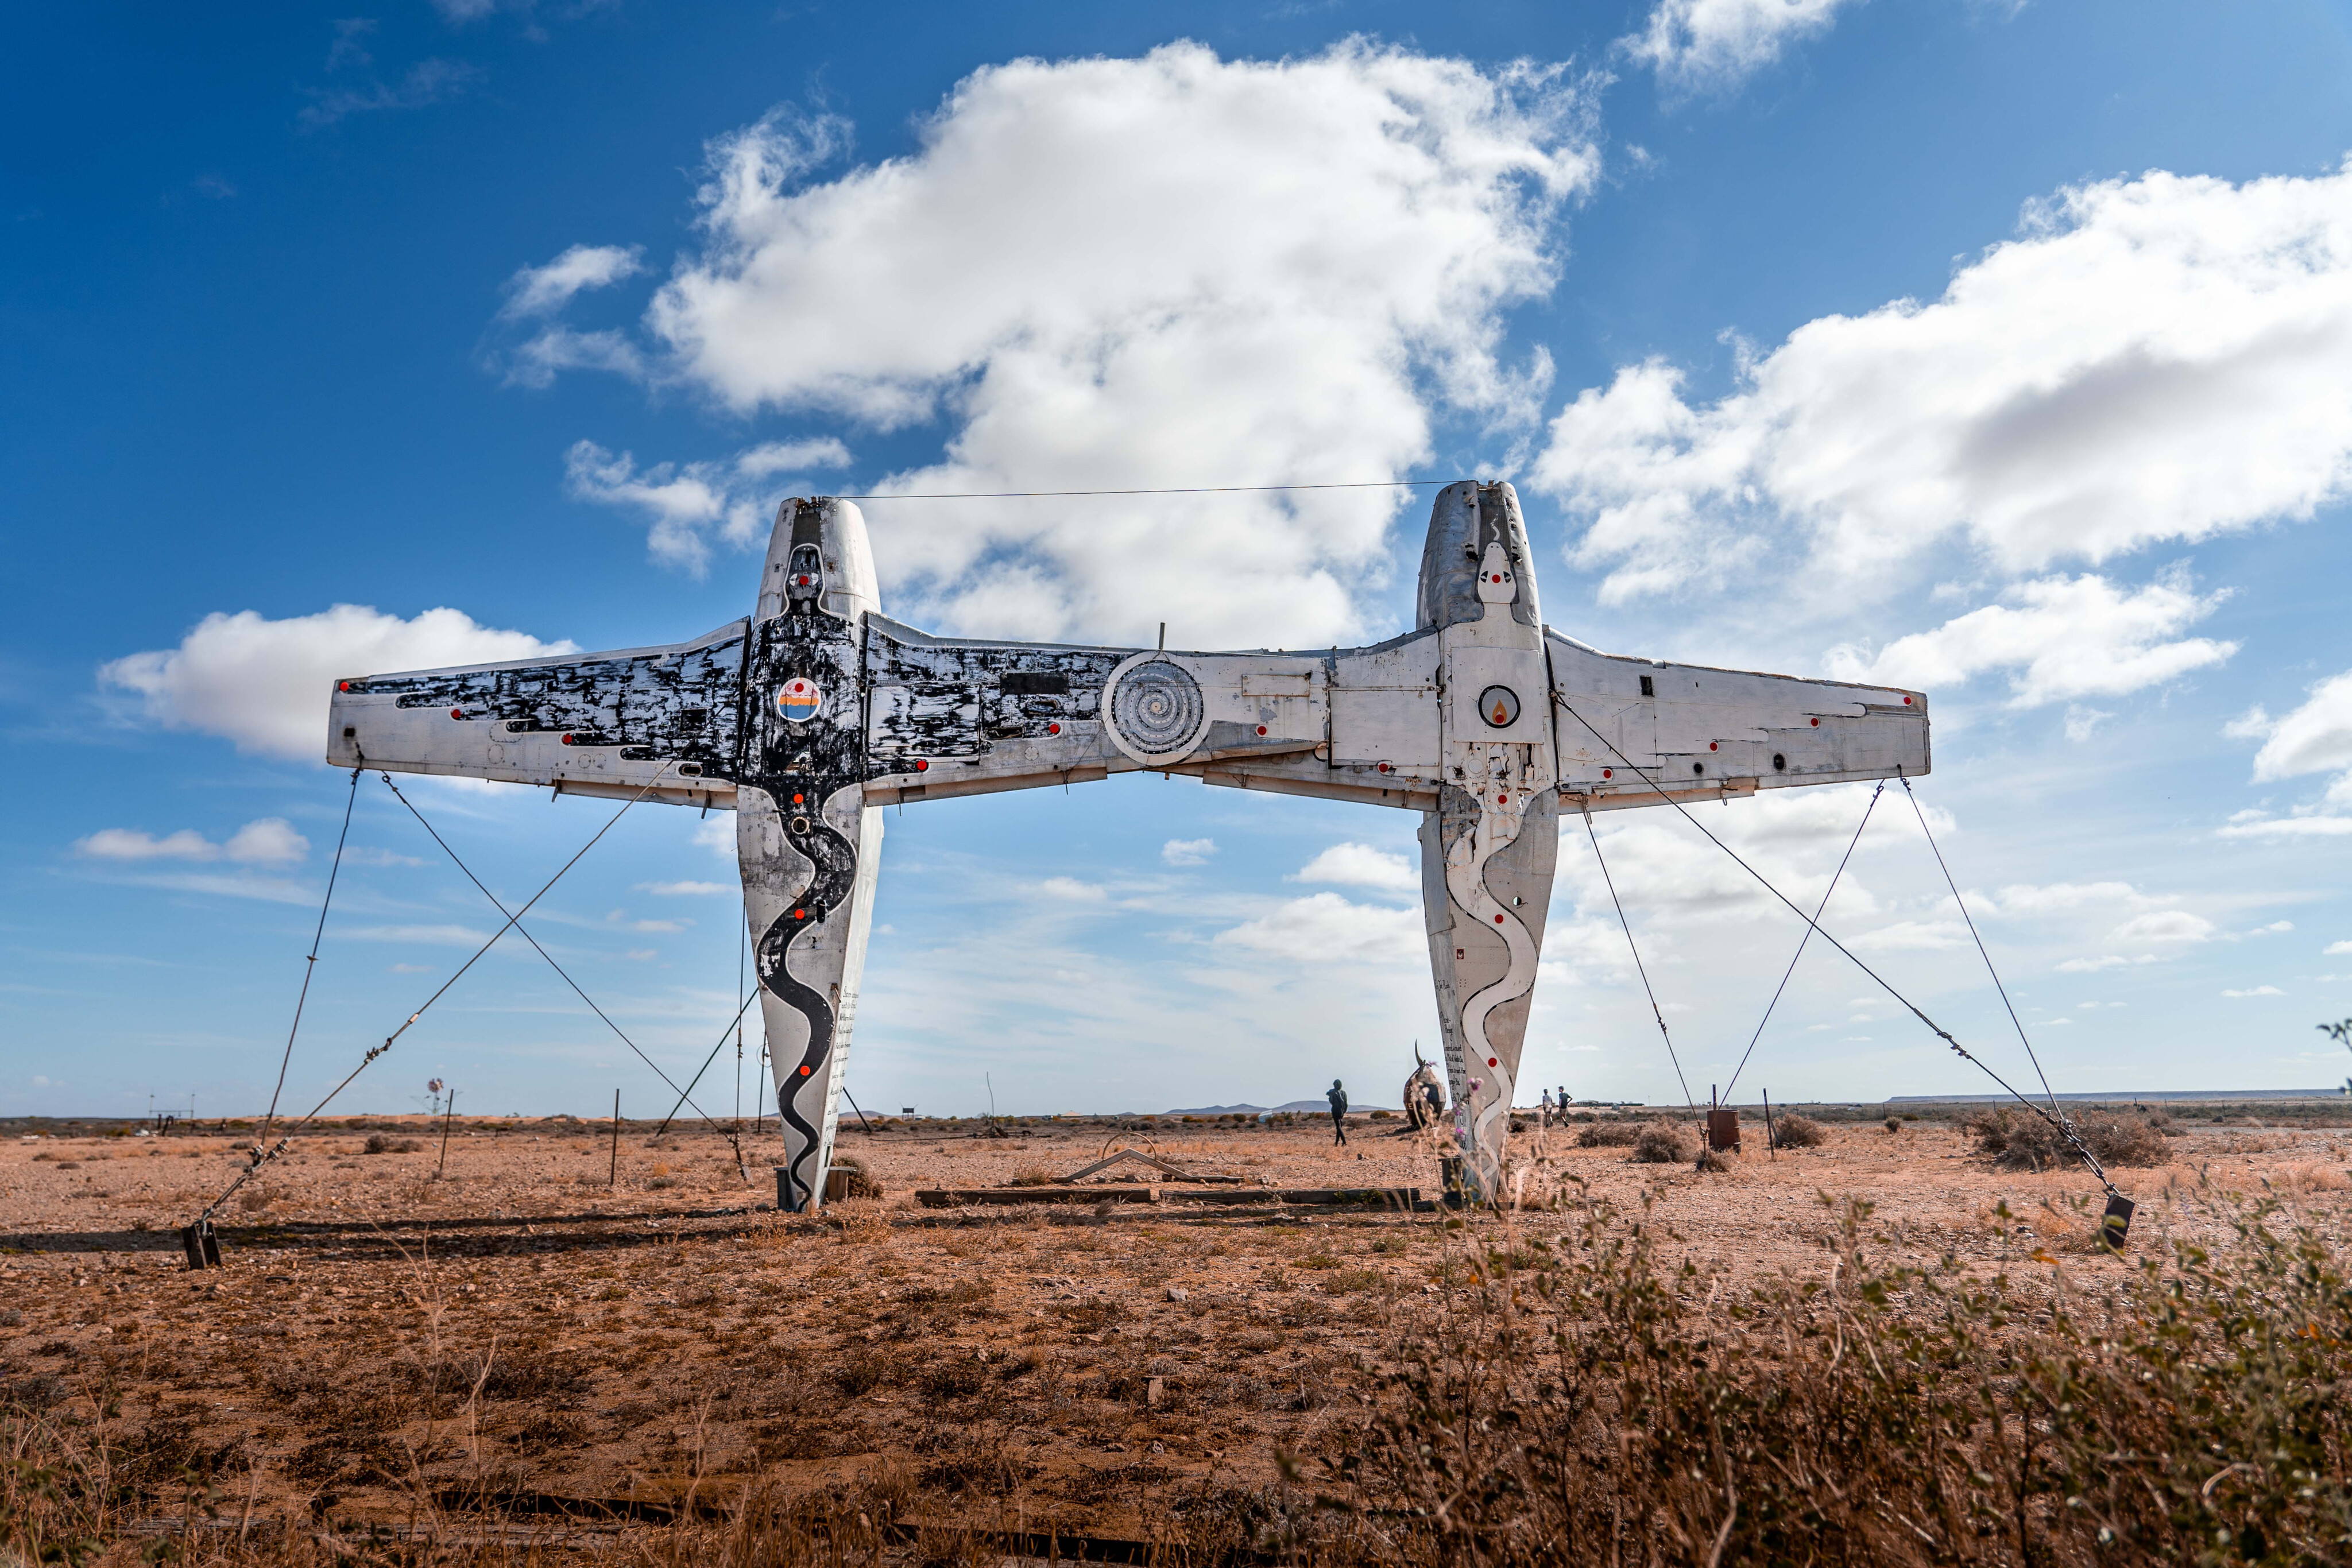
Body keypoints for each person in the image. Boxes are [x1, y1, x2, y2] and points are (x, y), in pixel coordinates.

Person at [1327, 1078, 1349, 1145]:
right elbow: (1346, 1103)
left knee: (1338, 1127)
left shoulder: (1332, 1092)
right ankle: (1336, 1143)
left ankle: (1344, 1142)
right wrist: (1344, 1111)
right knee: (1339, 1127)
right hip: (1341, 1111)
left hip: (1335, 1110)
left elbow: (1331, 1101)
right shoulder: (1344, 1093)